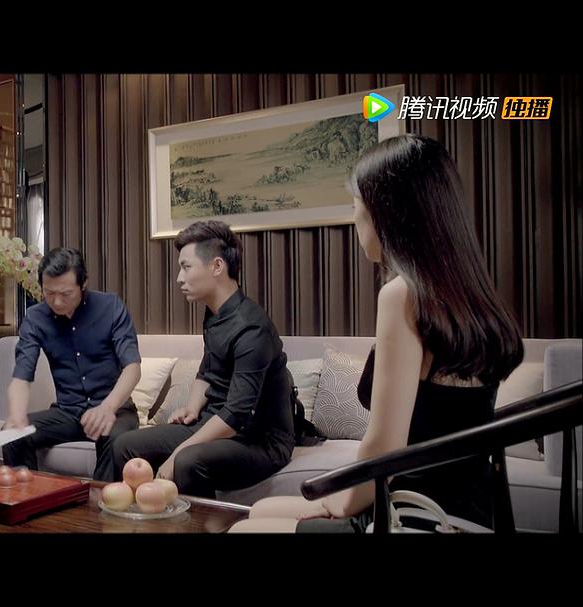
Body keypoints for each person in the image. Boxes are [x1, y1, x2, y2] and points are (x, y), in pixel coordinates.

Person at [230, 134, 523, 533]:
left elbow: (385, 443)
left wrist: (342, 502)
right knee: (260, 511)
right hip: (468, 508)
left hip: (418, 515)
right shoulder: (469, 295)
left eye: (357, 209)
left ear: (388, 216)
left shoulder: (403, 295)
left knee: (246, 529)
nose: (355, 222)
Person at [112, 220, 295, 497]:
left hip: (260, 440)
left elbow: (236, 414)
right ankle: (146, 514)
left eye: (186, 267)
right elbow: (207, 367)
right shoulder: (214, 312)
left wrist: (178, 453)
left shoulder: (252, 329)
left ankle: (200, 520)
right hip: (215, 422)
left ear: (217, 266)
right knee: (125, 445)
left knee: (187, 461)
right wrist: (192, 407)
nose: (179, 278)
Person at [2, 247, 142, 482]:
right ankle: (29, 499)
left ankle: (98, 503)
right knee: (13, 435)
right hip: (68, 412)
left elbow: (133, 368)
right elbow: (22, 375)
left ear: (83, 283)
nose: (56, 302)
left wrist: (107, 408)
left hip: (115, 411)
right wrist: (16, 414)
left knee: (115, 442)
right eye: (49, 293)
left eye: (66, 293)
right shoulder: (36, 318)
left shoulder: (110, 307)